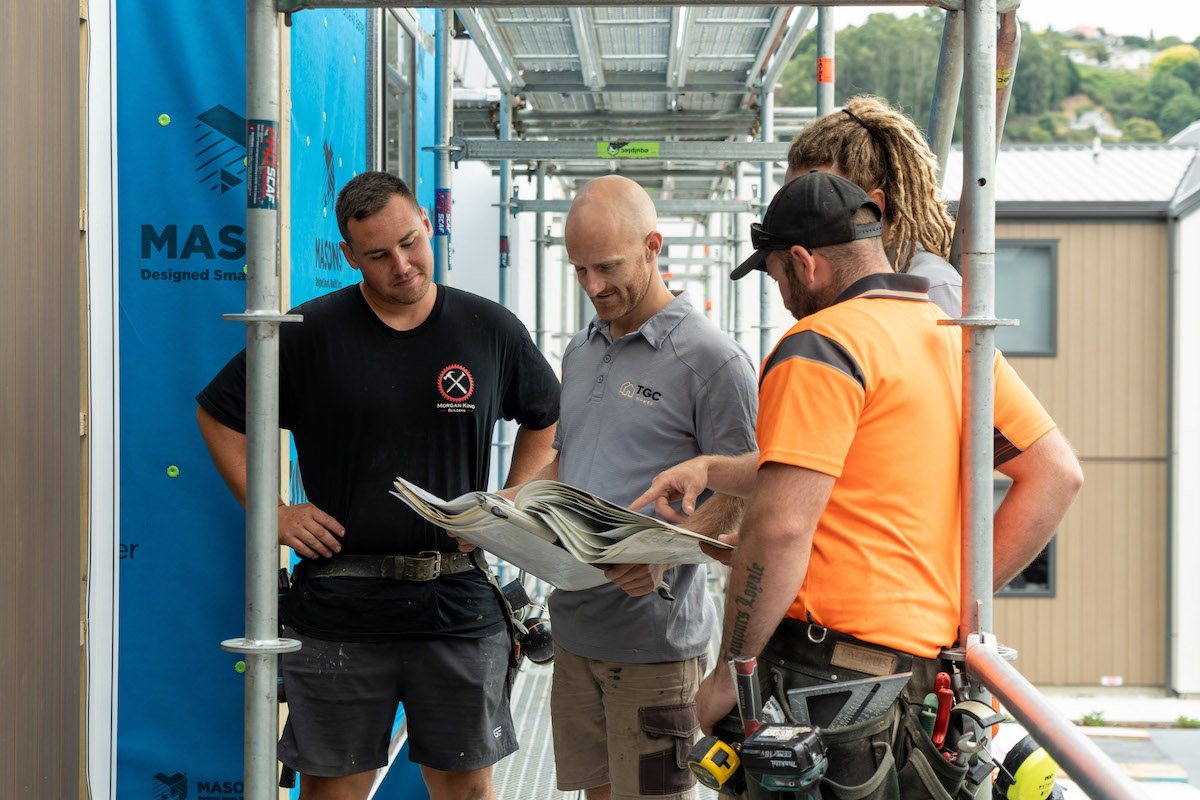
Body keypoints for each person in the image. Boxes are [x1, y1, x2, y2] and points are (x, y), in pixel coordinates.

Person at [632, 172, 1083, 799]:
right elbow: (1055, 475)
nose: (784, 297)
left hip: (825, 686)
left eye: (777, 278)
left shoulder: (820, 345)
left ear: (803, 262)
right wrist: (953, 605)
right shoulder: (951, 338)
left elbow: (782, 526)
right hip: (921, 686)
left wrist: (729, 674)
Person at [196, 171, 561, 800]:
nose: (402, 265)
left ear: (424, 220)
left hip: (457, 602)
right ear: (348, 255)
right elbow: (220, 413)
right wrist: (272, 512)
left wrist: (508, 501)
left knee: (469, 791)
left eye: (411, 242)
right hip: (340, 606)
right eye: (378, 254)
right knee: (334, 792)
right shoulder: (309, 333)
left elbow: (548, 417)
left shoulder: (489, 330)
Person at [485, 175, 758, 800]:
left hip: (655, 644)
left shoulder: (711, 360)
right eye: (579, 270)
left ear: (653, 246)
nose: (593, 288)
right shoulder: (580, 351)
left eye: (607, 268)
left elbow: (748, 488)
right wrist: (511, 505)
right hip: (576, 630)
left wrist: (663, 552)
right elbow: (568, 459)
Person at [786, 94, 963, 317]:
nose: (791, 219)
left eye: (817, 205)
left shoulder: (933, 289)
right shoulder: (855, 283)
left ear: (874, 208)